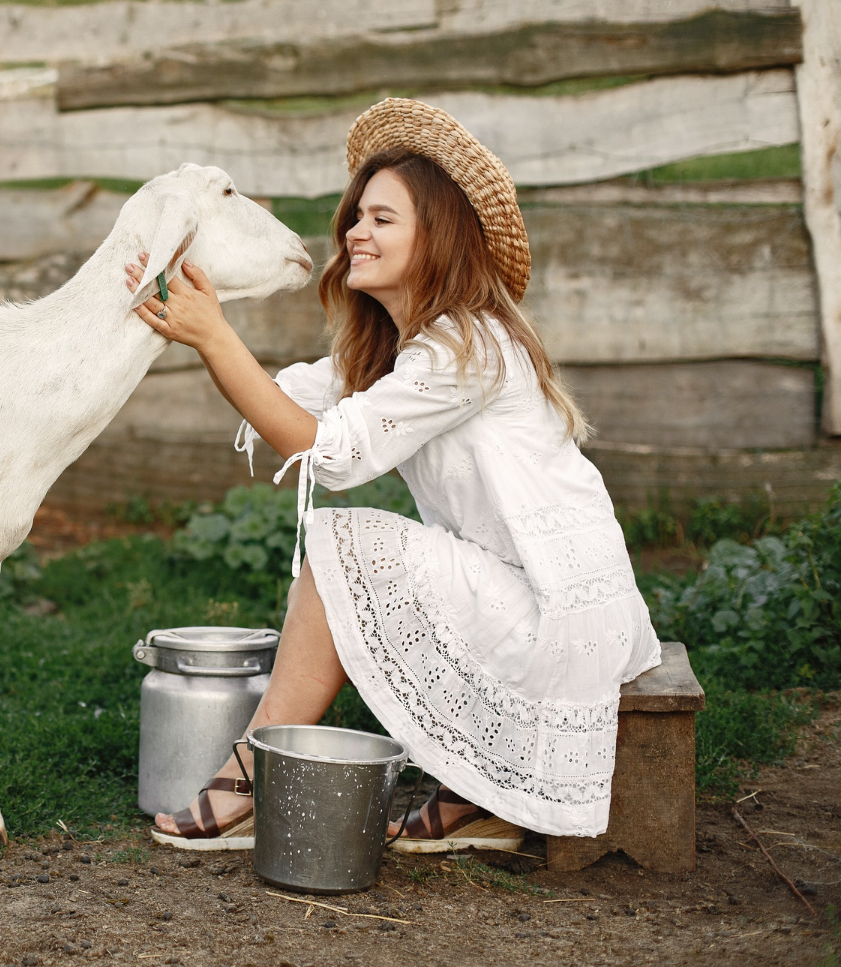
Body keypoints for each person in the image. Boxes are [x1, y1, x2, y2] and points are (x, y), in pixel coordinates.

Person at [128, 99, 662, 852]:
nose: (355, 233)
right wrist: (210, 327)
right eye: (355, 217)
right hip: (532, 592)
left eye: (382, 219)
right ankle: (468, 800)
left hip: (559, 611)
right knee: (349, 552)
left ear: (435, 237)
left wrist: (217, 341)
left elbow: (329, 455)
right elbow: (293, 400)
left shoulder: (463, 348)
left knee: (345, 545)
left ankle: (249, 771)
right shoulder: (409, 350)